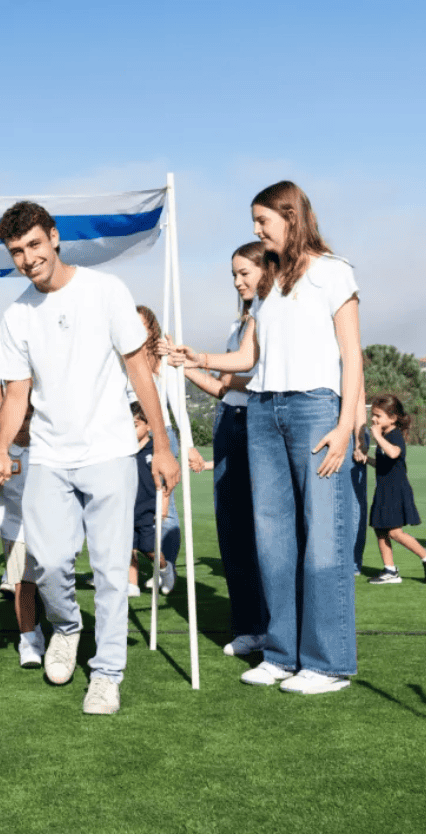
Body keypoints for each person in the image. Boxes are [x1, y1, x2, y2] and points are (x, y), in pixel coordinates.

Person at [0, 201, 179, 716]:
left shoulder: (106, 290)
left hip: (112, 452)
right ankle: (67, 628)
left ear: (53, 237)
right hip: (48, 457)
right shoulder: (17, 314)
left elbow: (139, 371)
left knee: (112, 571)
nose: (27, 258)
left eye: (33, 244)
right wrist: (1, 450)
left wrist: (162, 445)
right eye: (16, 251)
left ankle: (107, 674)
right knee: (47, 563)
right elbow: (16, 393)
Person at [174, 180, 362, 695]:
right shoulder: (270, 283)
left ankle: (328, 665)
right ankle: (281, 654)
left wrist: (345, 425)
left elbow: (352, 355)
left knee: (323, 539)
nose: (257, 230)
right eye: (255, 222)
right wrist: (198, 357)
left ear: (291, 216)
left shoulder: (334, 271)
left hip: (315, 409)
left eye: (263, 221)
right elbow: (249, 357)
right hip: (262, 411)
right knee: (273, 541)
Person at [162, 243, 269, 656]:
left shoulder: (269, 318)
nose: (238, 282)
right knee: (233, 529)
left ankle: (269, 626)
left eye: (245, 273)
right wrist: (186, 365)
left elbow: (247, 371)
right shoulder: (240, 322)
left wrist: (203, 359)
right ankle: (249, 626)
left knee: (259, 531)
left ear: (266, 270)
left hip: (255, 422)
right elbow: (225, 388)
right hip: (230, 421)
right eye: (234, 275)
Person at [133, 305, 204, 597]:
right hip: (131, 435)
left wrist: (188, 446)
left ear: (152, 328)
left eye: (141, 325)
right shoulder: (123, 356)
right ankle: (131, 572)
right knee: (134, 502)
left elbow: (177, 405)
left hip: (161, 435)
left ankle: (167, 565)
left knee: (165, 505)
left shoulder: (162, 359)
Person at [364, 394, 426, 585]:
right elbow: (383, 464)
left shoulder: (394, 436)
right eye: (372, 414)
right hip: (383, 489)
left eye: (378, 415)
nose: (373, 419)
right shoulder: (385, 436)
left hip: (396, 491)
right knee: (380, 529)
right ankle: (390, 570)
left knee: (394, 532)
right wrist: (366, 458)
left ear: (392, 418)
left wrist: (377, 436)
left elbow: (394, 453)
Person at [0, 385, 47, 668]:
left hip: (49, 527)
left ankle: (55, 628)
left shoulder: (47, 449)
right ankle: (28, 639)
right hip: (15, 528)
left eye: (28, 418)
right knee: (22, 585)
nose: (23, 424)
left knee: (50, 583)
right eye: (18, 418)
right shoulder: (0, 452)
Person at [126, 402, 180, 601]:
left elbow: (166, 484)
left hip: (148, 509)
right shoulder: (126, 451)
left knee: (148, 548)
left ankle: (166, 571)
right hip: (128, 507)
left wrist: (163, 506)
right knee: (128, 548)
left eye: (135, 425)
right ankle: (132, 584)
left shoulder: (155, 451)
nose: (130, 430)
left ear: (148, 425)